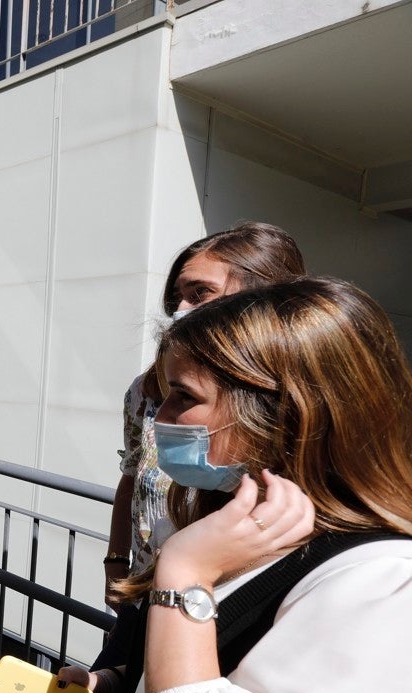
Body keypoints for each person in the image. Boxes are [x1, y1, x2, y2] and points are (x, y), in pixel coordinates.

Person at [63, 277, 412, 693]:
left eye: (183, 396)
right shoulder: (225, 525)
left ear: (284, 416)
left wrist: (183, 575)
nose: (159, 418)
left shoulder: (383, 582)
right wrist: (114, 682)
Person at [104, 223, 305, 595]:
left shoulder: (301, 411)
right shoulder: (144, 390)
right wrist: (117, 560)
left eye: (199, 294)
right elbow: (131, 477)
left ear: (263, 299)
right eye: (177, 297)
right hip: (148, 587)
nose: (180, 310)